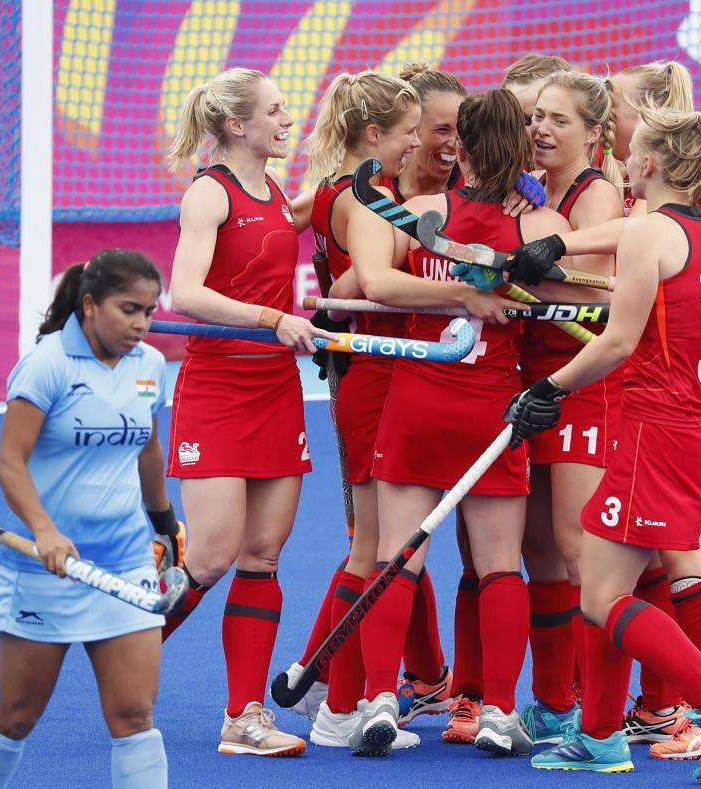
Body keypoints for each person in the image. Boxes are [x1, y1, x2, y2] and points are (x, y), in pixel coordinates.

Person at [505, 106, 701, 782]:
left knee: (600, 596)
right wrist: (563, 247)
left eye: (632, 152)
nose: (625, 160)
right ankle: (600, 738)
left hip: (656, 432)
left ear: (647, 164)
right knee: (609, 581)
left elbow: (618, 341)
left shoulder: (651, 232)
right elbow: (642, 244)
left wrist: (549, 389)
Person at [347, 88, 570, 758]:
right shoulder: (538, 224)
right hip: (491, 410)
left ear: (462, 148)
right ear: (524, 149)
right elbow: (585, 293)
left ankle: (379, 697)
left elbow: (376, 286)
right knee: (501, 567)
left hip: (416, 404)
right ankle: (499, 709)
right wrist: (477, 290)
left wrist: (449, 284)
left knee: (395, 558)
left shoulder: (422, 211)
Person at [161, 66, 334, 757]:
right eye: (275, 111)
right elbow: (185, 293)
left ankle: (244, 716)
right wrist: (271, 315)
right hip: (217, 388)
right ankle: (126, 649)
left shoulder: (275, 190)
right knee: (209, 557)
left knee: (262, 554)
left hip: (275, 389)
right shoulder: (210, 191)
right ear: (237, 125)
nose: (287, 120)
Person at [0, 249, 175, 788]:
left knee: (135, 717)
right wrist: (44, 531)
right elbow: (10, 462)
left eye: (150, 312)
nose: (141, 324)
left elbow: (148, 449)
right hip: (45, 569)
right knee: (17, 716)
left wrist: (165, 523)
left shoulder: (149, 366)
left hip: (125, 566)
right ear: (89, 304)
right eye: (129, 309)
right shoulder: (46, 365)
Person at [295, 69, 426, 751]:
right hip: (374, 375)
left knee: (370, 545)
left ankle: (327, 684)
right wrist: (464, 292)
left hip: (360, 375)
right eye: (408, 134)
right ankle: (338, 701)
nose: (414, 147)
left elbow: (338, 277)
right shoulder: (366, 200)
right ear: (374, 134)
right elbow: (366, 282)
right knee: (373, 549)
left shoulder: (328, 191)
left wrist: (334, 291)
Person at [514, 68, 625, 747]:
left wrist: (534, 270)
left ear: (593, 133)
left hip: (580, 384)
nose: (541, 130)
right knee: (539, 553)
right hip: (532, 384)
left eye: (558, 120)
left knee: (583, 554)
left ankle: (603, 716)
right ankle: (556, 701)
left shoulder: (596, 193)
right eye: (536, 118)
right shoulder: (536, 192)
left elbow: (610, 296)